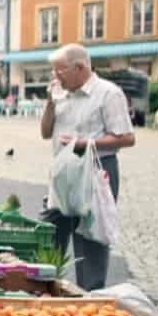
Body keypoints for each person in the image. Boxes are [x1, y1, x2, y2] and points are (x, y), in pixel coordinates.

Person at [40, 43, 136, 290]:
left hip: (96, 169)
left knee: (91, 238)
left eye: (59, 70)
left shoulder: (108, 93)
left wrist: (85, 143)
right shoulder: (60, 93)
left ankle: (90, 296)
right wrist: (50, 104)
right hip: (63, 173)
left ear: (79, 68)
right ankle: (44, 289)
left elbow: (126, 137)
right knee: (49, 233)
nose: (55, 76)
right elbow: (45, 132)